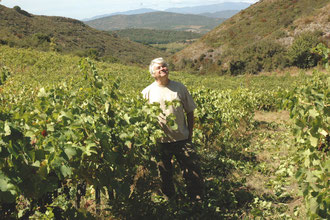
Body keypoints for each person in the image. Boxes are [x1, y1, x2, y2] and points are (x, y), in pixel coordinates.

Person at [142, 57, 204, 201]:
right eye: (159, 68)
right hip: (160, 141)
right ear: (153, 73)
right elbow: (143, 119)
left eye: (164, 66)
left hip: (182, 139)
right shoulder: (147, 92)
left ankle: (197, 200)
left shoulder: (179, 88)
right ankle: (170, 202)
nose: (163, 69)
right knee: (164, 174)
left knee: (193, 171)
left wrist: (189, 134)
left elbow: (190, 111)